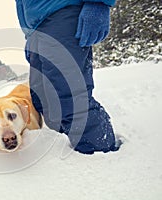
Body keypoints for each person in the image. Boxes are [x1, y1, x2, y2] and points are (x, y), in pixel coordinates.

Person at [15, 0, 121, 154]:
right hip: (37, 26)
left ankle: (100, 154)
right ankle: (74, 149)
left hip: (62, 12)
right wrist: (30, 36)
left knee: (69, 98)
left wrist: (98, 3)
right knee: (44, 100)